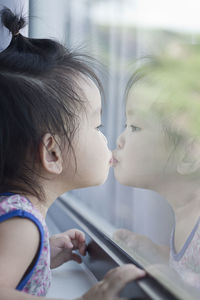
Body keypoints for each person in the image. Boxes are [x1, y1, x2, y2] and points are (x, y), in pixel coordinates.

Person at [0, 7, 146, 300]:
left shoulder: (21, 223)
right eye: (97, 125)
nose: (108, 137)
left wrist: (40, 258)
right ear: (52, 153)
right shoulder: (21, 226)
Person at [112, 44, 200, 288]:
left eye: (135, 127)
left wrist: (180, 284)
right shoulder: (186, 211)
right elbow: (191, 263)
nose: (120, 139)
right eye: (126, 124)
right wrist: (154, 251)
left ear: (188, 156)